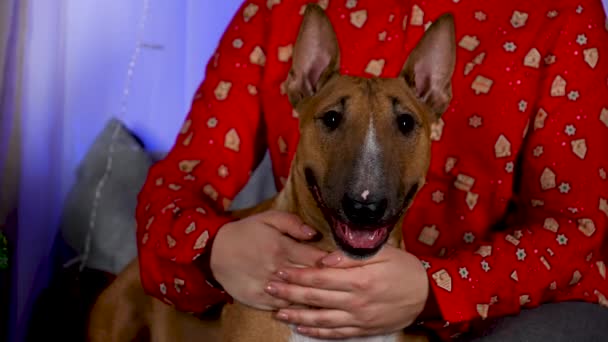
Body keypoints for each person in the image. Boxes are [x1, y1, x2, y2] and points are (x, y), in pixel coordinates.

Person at [134, 0, 608, 340]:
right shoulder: (275, 8)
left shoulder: (563, 15)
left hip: (495, 309)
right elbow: (179, 183)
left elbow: (577, 229)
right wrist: (215, 249)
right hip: (300, 271)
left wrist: (436, 288)